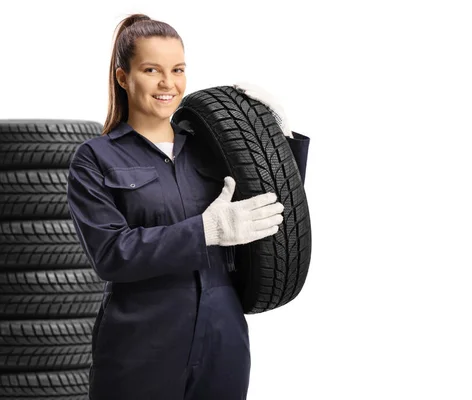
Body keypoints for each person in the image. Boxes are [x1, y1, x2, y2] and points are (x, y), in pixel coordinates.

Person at [66, 13, 308, 400]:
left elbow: (277, 210)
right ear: (123, 77)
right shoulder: (95, 158)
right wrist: (205, 231)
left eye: (177, 69)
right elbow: (111, 254)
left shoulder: (210, 146)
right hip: (141, 343)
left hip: (222, 338)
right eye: (151, 69)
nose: (168, 83)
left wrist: (277, 134)